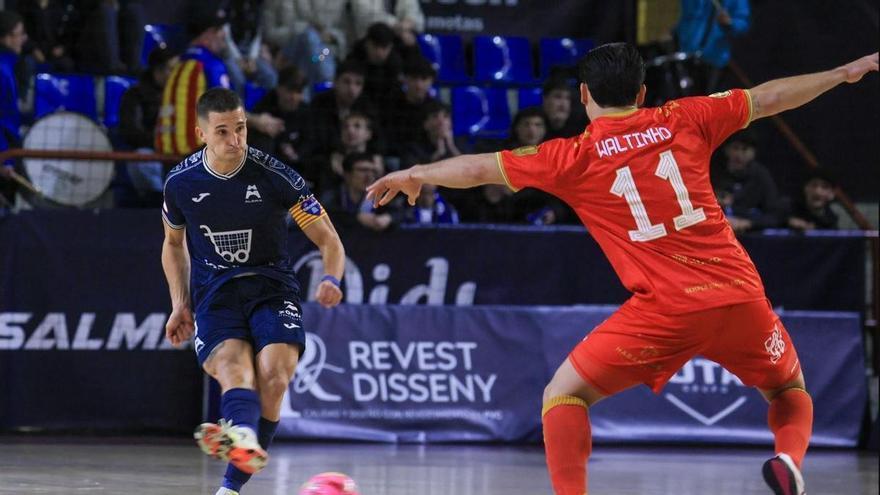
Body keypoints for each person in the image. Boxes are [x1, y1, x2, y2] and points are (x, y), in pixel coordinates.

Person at [367, 43, 879, 495]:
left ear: (584, 94)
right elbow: (769, 97)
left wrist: (416, 171)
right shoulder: (684, 117)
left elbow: (480, 168)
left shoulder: (571, 156)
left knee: (564, 394)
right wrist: (842, 73)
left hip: (667, 311)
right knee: (789, 390)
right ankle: (789, 458)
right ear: (642, 92)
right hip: (741, 296)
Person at [161, 88, 345, 495]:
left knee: (275, 377)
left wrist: (331, 279)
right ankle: (235, 470)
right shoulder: (180, 183)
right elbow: (173, 244)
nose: (236, 140)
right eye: (223, 131)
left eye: (241, 129)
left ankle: (238, 452)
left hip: (272, 287)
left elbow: (329, 240)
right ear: (201, 133)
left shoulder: (276, 176)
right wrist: (179, 304)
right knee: (233, 370)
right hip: (215, 293)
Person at [155, 1, 282, 156]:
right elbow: (226, 110)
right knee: (260, 137)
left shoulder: (181, 61)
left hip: (169, 152)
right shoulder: (209, 65)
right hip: (196, 154)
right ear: (207, 34)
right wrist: (259, 121)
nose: (224, 35)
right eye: (219, 30)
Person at [119, 46, 178, 204]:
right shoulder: (135, 95)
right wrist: (161, 141)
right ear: (158, 71)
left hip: (178, 153)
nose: (176, 74)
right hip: (153, 152)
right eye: (171, 69)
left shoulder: (182, 95)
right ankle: (162, 203)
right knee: (141, 160)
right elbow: (130, 132)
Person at [711, 130, 782, 233]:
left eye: (744, 149)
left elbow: (774, 214)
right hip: (717, 229)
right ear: (726, 150)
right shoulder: (714, 172)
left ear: (753, 153)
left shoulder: (761, 176)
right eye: (735, 148)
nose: (739, 154)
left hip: (750, 233)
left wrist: (749, 223)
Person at [676, 0, 750, 94]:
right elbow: (683, 17)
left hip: (714, 58)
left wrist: (729, 23)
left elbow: (743, 24)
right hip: (686, 55)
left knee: (706, 100)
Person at [0, 9, 26, 204]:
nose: (23, 39)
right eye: (20, 34)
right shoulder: (2, 71)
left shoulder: (8, 67)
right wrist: (4, 159)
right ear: (6, 38)